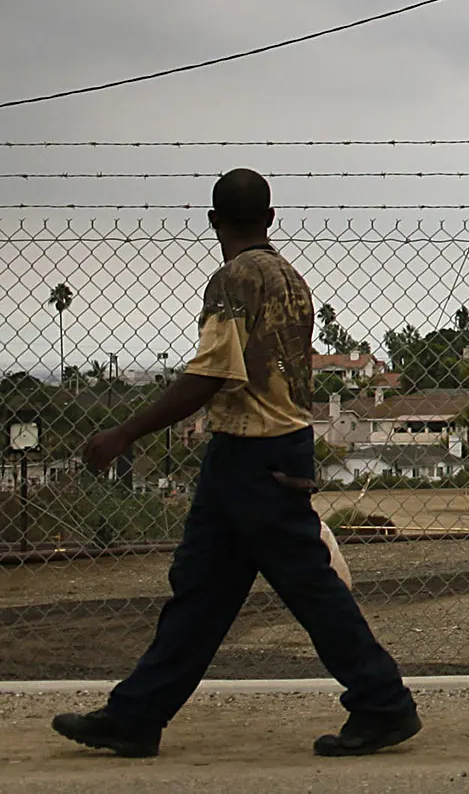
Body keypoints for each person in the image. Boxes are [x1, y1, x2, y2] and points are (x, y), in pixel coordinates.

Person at [52, 169, 421, 759]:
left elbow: (212, 373)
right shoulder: (290, 278)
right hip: (274, 446)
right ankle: (135, 715)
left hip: (254, 453)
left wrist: (124, 432)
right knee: (202, 592)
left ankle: (383, 704)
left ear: (212, 221)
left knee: (305, 588)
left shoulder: (233, 278)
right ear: (271, 219)